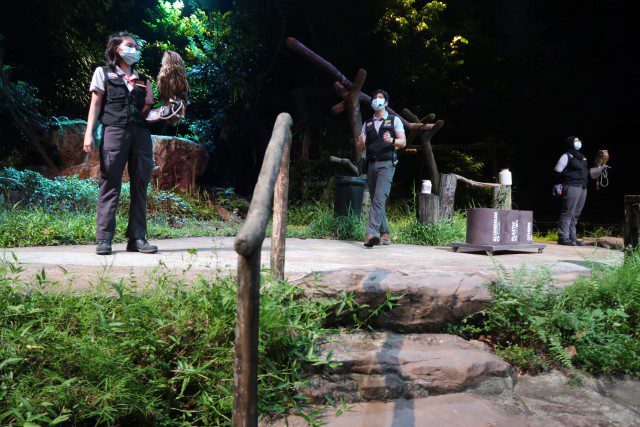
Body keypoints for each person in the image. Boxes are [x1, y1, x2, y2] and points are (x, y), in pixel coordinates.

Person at [83, 32, 158, 255]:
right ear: (118, 49)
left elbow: (147, 111)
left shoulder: (144, 80)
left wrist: (168, 111)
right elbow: (95, 104)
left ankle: (137, 238)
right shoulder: (103, 73)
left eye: (135, 46)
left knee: (140, 184)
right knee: (109, 183)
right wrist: (88, 133)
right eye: (130, 45)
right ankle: (104, 239)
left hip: (141, 134)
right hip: (114, 131)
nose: (134, 49)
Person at [357, 90, 406, 247]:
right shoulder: (367, 124)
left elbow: (403, 142)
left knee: (379, 198)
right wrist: (361, 142)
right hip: (371, 164)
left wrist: (391, 140)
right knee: (376, 199)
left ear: (386, 103)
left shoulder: (393, 120)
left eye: (380, 98)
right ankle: (385, 234)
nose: (376, 100)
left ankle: (370, 233)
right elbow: (359, 148)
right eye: (374, 98)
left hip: (387, 163)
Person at [553, 136, 589, 246]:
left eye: (579, 141)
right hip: (571, 185)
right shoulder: (567, 155)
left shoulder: (582, 157)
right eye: (576, 141)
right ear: (570, 143)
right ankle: (563, 237)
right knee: (568, 212)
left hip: (582, 186)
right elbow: (557, 171)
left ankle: (572, 237)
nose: (578, 142)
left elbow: (586, 172)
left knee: (576, 214)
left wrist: (600, 168)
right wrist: (563, 181)